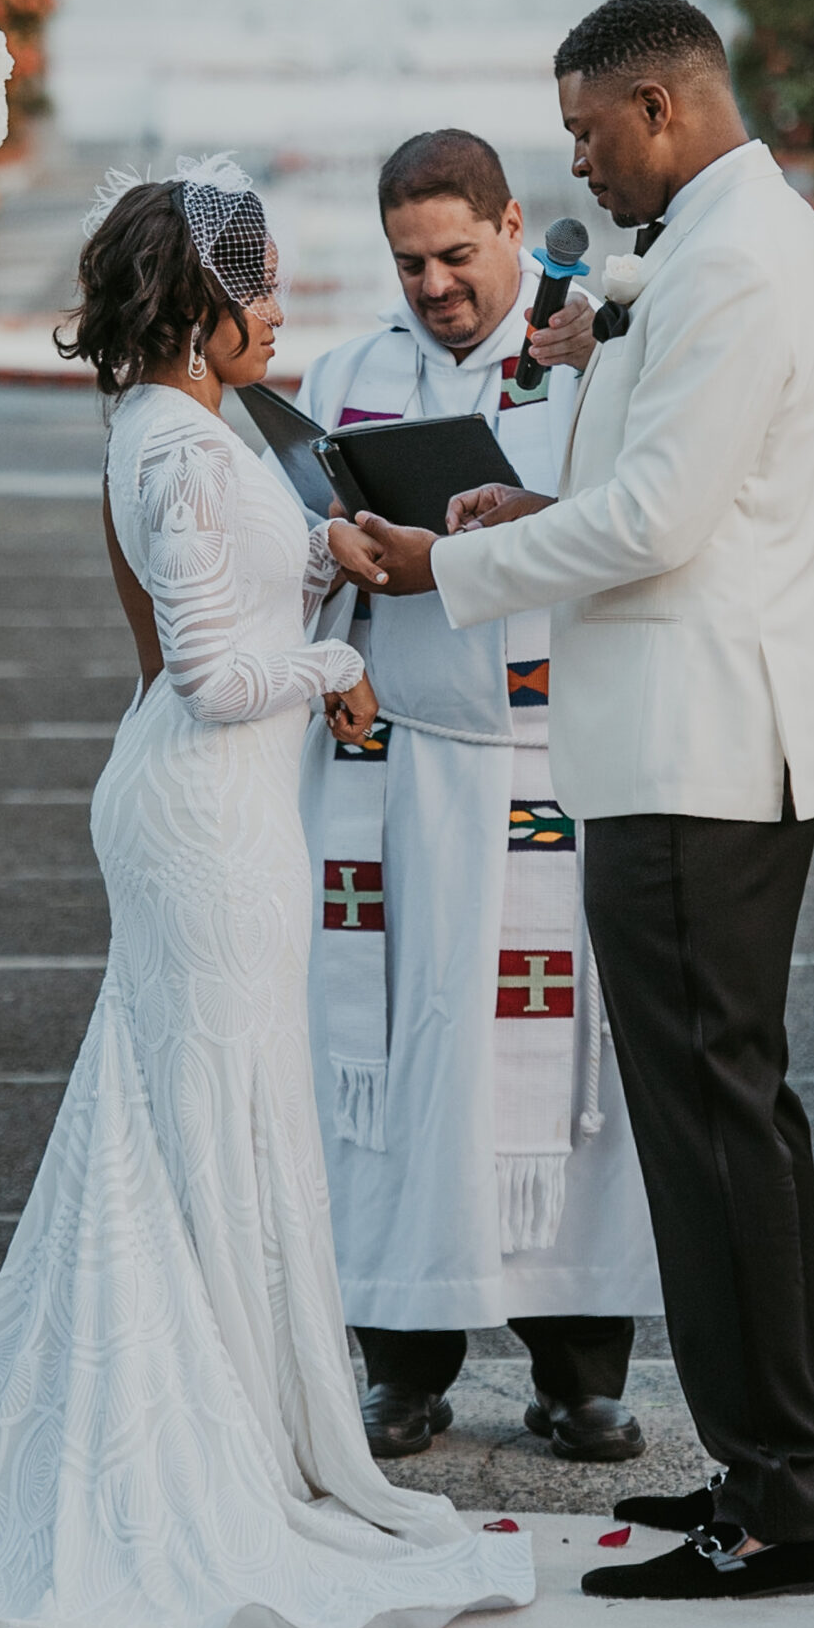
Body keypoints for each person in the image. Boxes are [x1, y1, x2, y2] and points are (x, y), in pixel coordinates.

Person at [0, 155, 532, 1628]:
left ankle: (234, 1418)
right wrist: (337, 663)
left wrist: (324, 570)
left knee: (208, 1106)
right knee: (202, 1109)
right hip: (203, 810)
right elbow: (213, 677)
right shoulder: (184, 455)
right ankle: (194, 1447)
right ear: (205, 310)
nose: (278, 314)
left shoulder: (177, 427)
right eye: (259, 290)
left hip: (231, 808)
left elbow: (236, 623)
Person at [339, 0, 814, 1603]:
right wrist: (533, 499)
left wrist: (461, 557)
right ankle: (789, 1461)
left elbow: (661, 523)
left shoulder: (729, 257)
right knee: (731, 1124)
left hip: (699, 752)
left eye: (583, 136)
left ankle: (781, 1506)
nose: (578, 167)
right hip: (690, 743)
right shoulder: (717, 241)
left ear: (656, 104)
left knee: (713, 1134)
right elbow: (655, 495)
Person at [288, 129, 660, 1464]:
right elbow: (303, 559)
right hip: (400, 776)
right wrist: (328, 578)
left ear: (513, 224)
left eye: (456, 253)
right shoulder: (346, 376)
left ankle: (577, 1372)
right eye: (409, 263)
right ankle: (402, 1361)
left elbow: (631, 531)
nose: (435, 285)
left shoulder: (590, 367)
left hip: (549, 763)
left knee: (567, 1073)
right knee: (401, 1063)